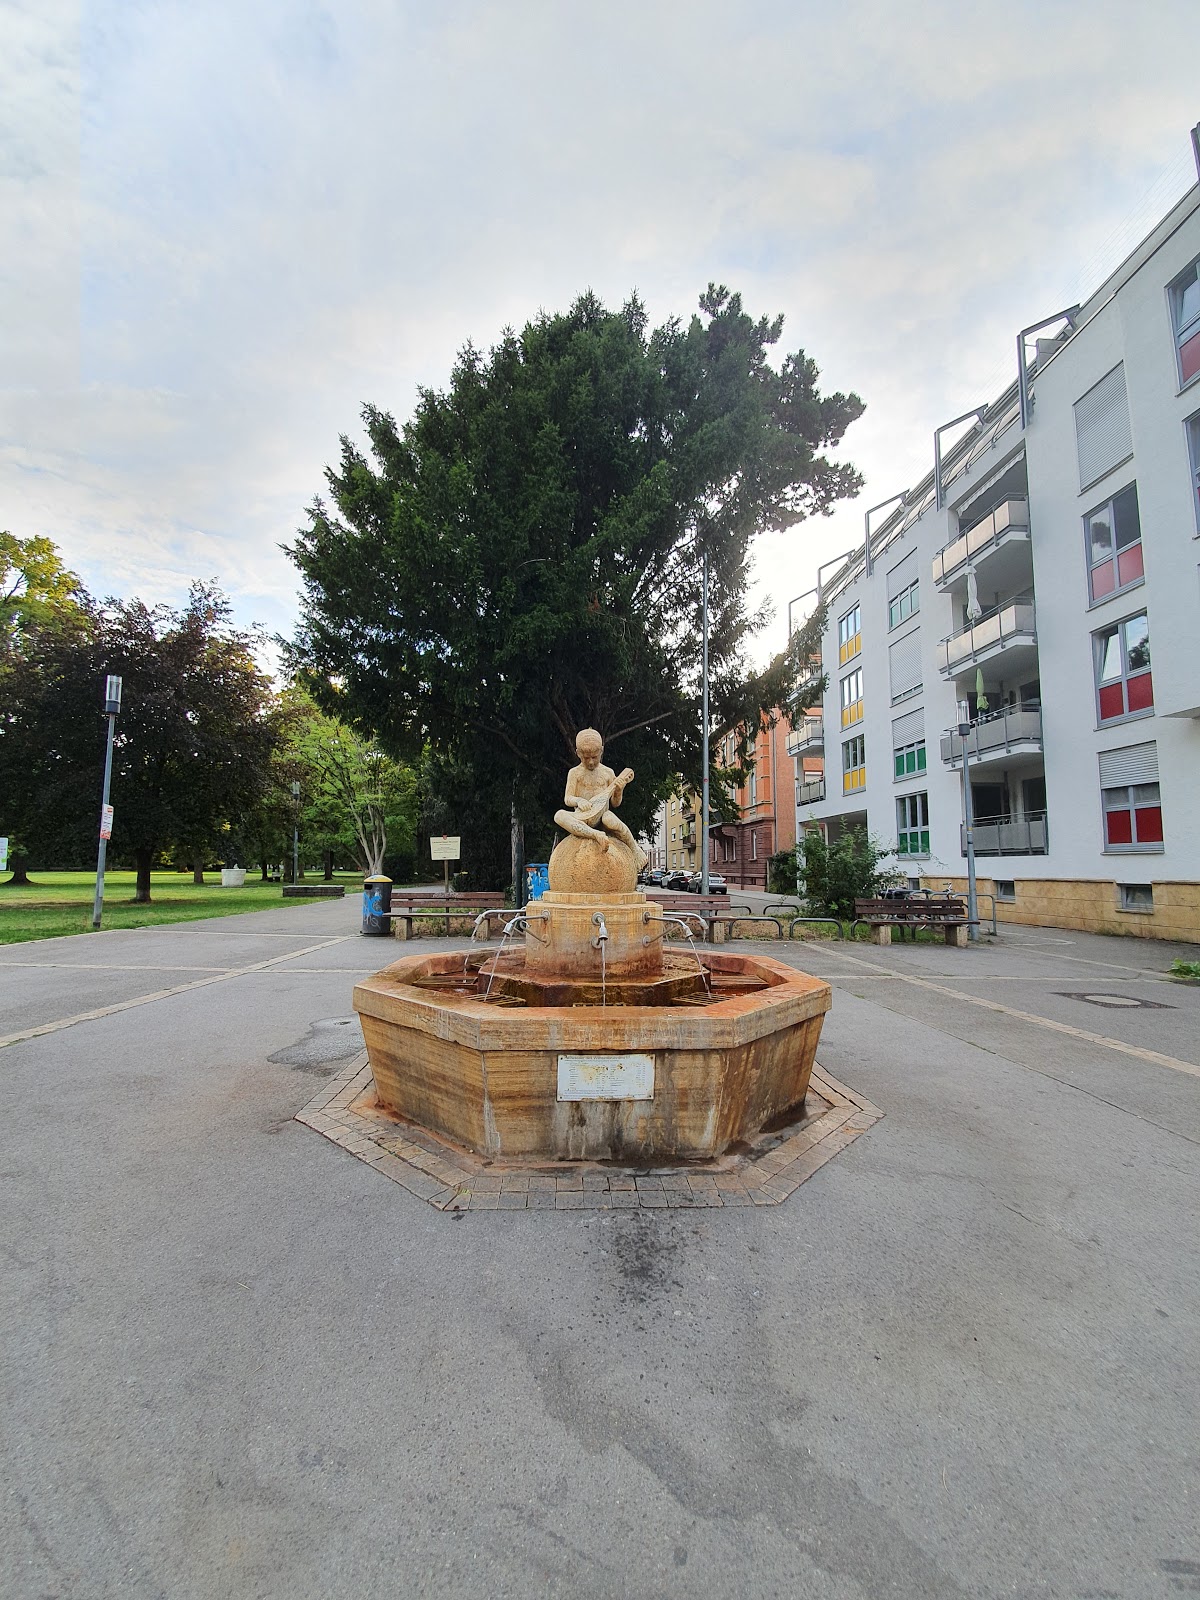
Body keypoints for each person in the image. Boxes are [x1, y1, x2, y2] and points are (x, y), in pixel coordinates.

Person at [554, 728, 649, 870]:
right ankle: (595, 834)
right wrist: (578, 801)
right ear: (578, 753)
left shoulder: (608, 773)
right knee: (559, 815)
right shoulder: (574, 773)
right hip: (581, 818)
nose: (591, 762)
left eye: (595, 757)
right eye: (586, 758)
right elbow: (567, 798)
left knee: (610, 818)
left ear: (601, 751)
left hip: (602, 818)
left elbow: (615, 803)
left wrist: (619, 790)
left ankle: (635, 848)